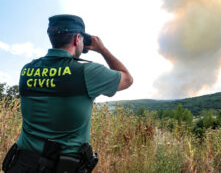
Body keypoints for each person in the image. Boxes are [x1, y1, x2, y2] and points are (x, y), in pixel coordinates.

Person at [2, 14, 133, 172]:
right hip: (62, 167)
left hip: (21, 165)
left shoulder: (27, 70)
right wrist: (102, 49)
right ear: (78, 39)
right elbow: (127, 79)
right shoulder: (87, 72)